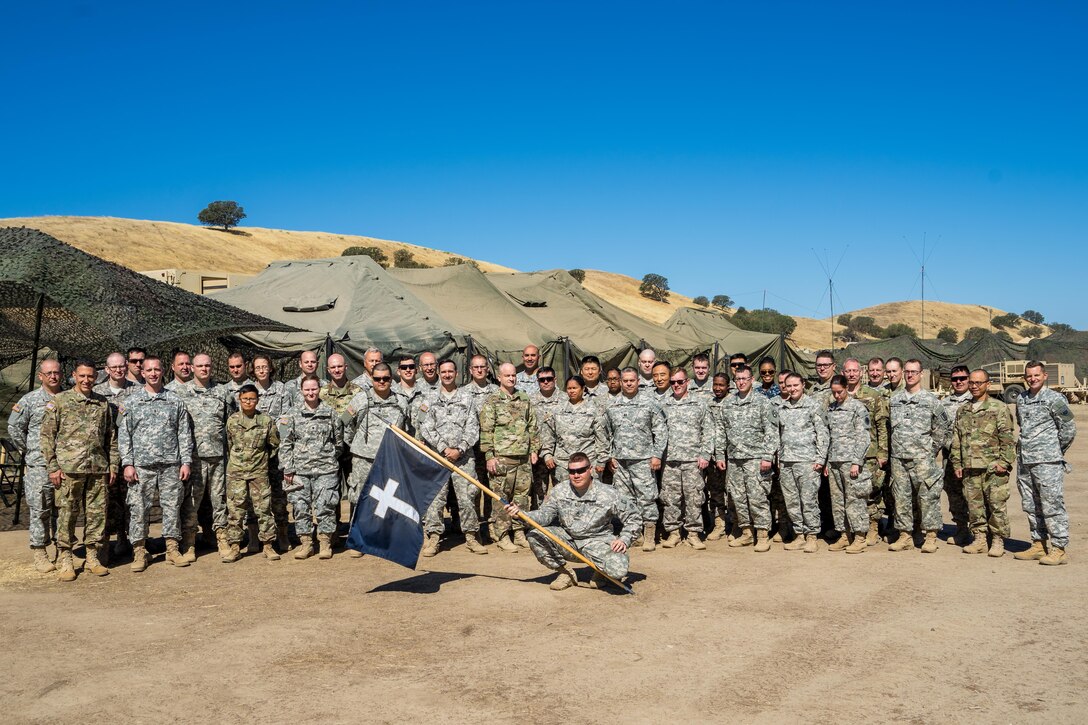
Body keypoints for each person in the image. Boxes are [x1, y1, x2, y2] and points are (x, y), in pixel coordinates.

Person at [504, 452, 641, 591]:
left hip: (597, 541)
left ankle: (602, 572)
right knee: (535, 535)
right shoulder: (560, 491)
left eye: (581, 470)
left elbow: (634, 517)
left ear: (590, 469)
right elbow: (545, 515)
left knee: (618, 570)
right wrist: (521, 515)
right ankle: (566, 574)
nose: (576, 475)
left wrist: (624, 539)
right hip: (568, 540)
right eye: (572, 471)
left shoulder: (609, 493)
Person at [39, 360, 118, 581]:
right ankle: (66, 557)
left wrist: (113, 465)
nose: (86, 380)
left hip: (97, 469)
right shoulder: (60, 401)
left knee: (96, 515)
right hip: (68, 470)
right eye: (82, 376)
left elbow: (111, 437)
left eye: (90, 376)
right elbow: (47, 437)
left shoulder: (102, 403)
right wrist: (53, 467)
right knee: (67, 514)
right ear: (74, 375)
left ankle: (92, 555)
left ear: (96, 377)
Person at [118, 356, 194, 572]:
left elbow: (183, 434)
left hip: (171, 464)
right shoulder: (131, 402)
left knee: (171, 507)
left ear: (163, 372)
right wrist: (128, 464)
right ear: (142, 372)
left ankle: (172, 549)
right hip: (141, 466)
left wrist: (186, 462)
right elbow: (124, 435)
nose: (153, 373)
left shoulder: (175, 400)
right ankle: (140, 552)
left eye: (156, 370)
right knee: (139, 509)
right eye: (148, 370)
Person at [420, 360, 487, 557]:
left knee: (467, 497)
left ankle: (472, 536)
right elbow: (425, 426)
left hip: (464, 458)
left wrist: (460, 448)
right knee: (435, 498)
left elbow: (473, 427)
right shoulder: (428, 398)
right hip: (437, 457)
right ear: (439, 374)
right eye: (444, 372)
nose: (447, 375)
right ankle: (433, 537)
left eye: (450, 371)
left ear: (456, 373)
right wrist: (443, 448)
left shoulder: (467, 398)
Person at [1013, 361, 1077, 565]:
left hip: (1047, 462)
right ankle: (1038, 544)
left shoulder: (1055, 399)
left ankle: (1059, 548)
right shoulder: (1022, 399)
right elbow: (1022, 425)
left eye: (1036, 375)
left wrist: (1055, 451)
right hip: (1025, 460)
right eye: (1029, 376)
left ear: (1045, 376)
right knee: (1031, 505)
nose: (1032, 379)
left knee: (1052, 504)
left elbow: (1068, 429)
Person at [342, 363, 408, 558]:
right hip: (364, 458)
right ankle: (358, 540)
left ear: (391, 379)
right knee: (359, 497)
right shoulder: (360, 399)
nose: (381, 382)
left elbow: (408, 428)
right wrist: (359, 446)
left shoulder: (401, 401)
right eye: (377, 378)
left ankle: (383, 538)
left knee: (388, 499)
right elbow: (346, 426)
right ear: (371, 379)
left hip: (390, 458)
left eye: (386, 378)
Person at [887, 359, 951, 553]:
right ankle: (905, 535)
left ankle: (930, 536)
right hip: (899, 459)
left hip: (922, 459)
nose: (910, 375)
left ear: (921, 374)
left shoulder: (930, 400)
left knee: (928, 497)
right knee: (901, 498)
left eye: (914, 372)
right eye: (907, 371)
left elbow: (943, 429)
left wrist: (930, 451)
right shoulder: (895, 400)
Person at [278, 376, 345, 560]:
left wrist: (328, 458)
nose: (310, 393)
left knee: (326, 506)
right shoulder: (291, 415)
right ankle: (306, 543)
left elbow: (338, 442)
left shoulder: (330, 413)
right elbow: (285, 444)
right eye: (307, 390)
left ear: (319, 389)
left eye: (314, 389)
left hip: (326, 470)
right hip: (300, 471)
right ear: (301, 391)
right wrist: (288, 469)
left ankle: (325, 543)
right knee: (300, 507)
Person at [174, 353, 232, 562]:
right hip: (194, 458)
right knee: (191, 502)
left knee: (219, 500)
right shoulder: (180, 393)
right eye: (200, 366)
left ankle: (222, 539)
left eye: (207, 365)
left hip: (218, 457)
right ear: (192, 367)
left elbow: (230, 423)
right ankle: (189, 543)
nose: (204, 369)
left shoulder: (222, 391)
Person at [951, 369, 1014, 557]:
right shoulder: (963, 410)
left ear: (988, 384)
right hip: (970, 467)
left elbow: (1008, 439)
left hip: (993, 468)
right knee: (974, 506)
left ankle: (997, 539)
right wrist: (957, 463)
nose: (974, 386)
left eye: (979, 383)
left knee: (996, 505)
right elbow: (957, 439)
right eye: (972, 383)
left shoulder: (999, 408)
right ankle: (979, 538)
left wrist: (1005, 462)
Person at [7, 359, 63, 572]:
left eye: (56, 372)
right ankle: (40, 552)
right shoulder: (29, 400)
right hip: (39, 465)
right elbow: (14, 428)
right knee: (40, 508)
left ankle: (63, 550)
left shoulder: (68, 398)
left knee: (64, 510)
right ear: (40, 376)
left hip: (65, 464)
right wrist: (30, 451)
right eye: (48, 373)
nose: (53, 377)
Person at [604, 368, 668, 551]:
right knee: (625, 499)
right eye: (625, 381)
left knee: (647, 497)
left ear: (638, 381)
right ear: (621, 382)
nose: (629, 383)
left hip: (643, 459)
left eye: (632, 380)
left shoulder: (649, 403)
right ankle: (635, 533)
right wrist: (610, 455)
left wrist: (656, 455)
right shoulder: (612, 405)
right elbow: (607, 433)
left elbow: (660, 431)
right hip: (621, 462)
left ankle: (649, 534)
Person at [717, 364, 779, 552]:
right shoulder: (728, 403)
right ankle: (746, 532)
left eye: (745, 379)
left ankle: (762, 535)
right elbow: (721, 430)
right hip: (735, 459)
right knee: (738, 498)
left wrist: (767, 456)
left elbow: (771, 431)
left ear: (752, 380)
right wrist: (720, 454)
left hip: (755, 458)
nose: (741, 382)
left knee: (757, 497)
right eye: (738, 379)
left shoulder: (762, 402)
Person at [479, 362, 540, 552]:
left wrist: (534, 450)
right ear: (499, 377)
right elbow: (486, 430)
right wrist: (489, 456)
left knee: (522, 498)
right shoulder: (492, 401)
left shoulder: (524, 398)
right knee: (501, 499)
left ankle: (519, 531)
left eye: (514, 375)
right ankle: (503, 534)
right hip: (502, 459)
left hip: (523, 459)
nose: (512, 378)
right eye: (507, 376)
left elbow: (533, 426)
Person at [222, 384, 281, 562]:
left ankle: (268, 546)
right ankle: (234, 547)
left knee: (264, 510)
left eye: (252, 399)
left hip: (258, 473)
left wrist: (260, 461)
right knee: (235, 511)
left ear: (257, 400)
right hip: (236, 473)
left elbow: (274, 445)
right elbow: (229, 445)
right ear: (239, 400)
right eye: (245, 399)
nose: (249, 402)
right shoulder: (232, 421)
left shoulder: (266, 421)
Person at [660, 369, 713, 549]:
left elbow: (708, 430)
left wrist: (705, 454)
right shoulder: (663, 404)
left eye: (680, 382)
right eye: (673, 382)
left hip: (692, 460)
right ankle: (674, 533)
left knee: (694, 498)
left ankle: (693, 533)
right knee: (670, 498)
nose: (676, 385)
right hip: (670, 460)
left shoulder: (699, 404)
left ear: (687, 382)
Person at [776, 372, 829, 553]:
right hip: (786, 461)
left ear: (803, 385)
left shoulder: (813, 406)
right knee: (791, 501)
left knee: (809, 500)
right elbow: (777, 435)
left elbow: (823, 434)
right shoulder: (782, 408)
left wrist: (820, 459)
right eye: (788, 386)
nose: (792, 389)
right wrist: (778, 458)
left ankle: (812, 536)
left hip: (807, 461)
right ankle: (799, 534)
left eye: (795, 385)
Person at [94, 352, 137, 560]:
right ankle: (104, 543)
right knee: (106, 501)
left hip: (131, 457)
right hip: (105, 457)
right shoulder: (97, 393)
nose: (119, 370)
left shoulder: (136, 390)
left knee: (130, 500)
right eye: (114, 367)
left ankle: (125, 538)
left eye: (122, 366)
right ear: (107, 369)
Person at [843, 357, 890, 546]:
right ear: (843, 372)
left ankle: (872, 528)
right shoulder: (838, 395)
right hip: (845, 454)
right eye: (848, 371)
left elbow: (881, 425)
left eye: (855, 371)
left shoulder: (872, 395)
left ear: (861, 373)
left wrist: (882, 452)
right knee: (850, 495)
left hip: (869, 453)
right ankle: (851, 529)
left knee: (871, 493)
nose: (852, 374)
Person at [825, 375, 872, 554]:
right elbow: (828, 435)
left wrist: (856, 462)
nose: (837, 396)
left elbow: (863, 437)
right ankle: (844, 535)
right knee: (838, 501)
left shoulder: (857, 408)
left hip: (851, 462)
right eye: (834, 392)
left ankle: (860, 537)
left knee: (855, 500)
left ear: (847, 388)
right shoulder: (831, 409)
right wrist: (827, 461)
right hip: (834, 461)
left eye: (840, 392)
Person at [253, 355, 292, 551]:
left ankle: (283, 534)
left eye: (264, 367)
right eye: (258, 367)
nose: (261, 370)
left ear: (270, 369)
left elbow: (286, 418)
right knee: (256, 496)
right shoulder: (249, 391)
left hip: (277, 451)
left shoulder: (281, 389)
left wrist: (277, 441)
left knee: (278, 495)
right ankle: (255, 536)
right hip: (256, 453)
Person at [541, 375, 608, 485]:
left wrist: (602, 461)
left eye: (575, 388)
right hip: (563, 463)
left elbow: (601, 437)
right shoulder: (557, 410)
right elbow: (548, 434)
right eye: (569, 388)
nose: (571, 391)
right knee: (564, 497)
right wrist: (547, 454)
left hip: (588, 462)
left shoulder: (593, 410)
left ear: (583, 389)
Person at [941, 365, 974, 545]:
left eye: (962, 378)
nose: (959, 382)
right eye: (955, 379)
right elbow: (939, 429)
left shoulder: (976, 400)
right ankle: (962, 529)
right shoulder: (944, 404)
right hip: (950, 458)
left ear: (969, 379)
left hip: (972, 458)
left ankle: (982, 534)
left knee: (976, 496)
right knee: (954, 495)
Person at [529, 366, 562, 504]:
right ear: (537, 381)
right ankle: (538, 523)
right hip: (538, 455)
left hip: (560, 454)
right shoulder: (530, 401)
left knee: (561, 491)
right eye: (542, 380)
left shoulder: (565, 399)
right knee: (538, 494)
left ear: (555, 379)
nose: (546, 382)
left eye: (549, 379)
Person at [704, 373, 731, 541]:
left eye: (721, 385)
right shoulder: (709, 404)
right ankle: (719, 524)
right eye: (715, 384)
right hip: (713, 455)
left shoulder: (733, 402)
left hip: (731, 454)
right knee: (715, 491)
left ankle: (735, 525)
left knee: (735, 493)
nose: (718, 388)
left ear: (728, 386)